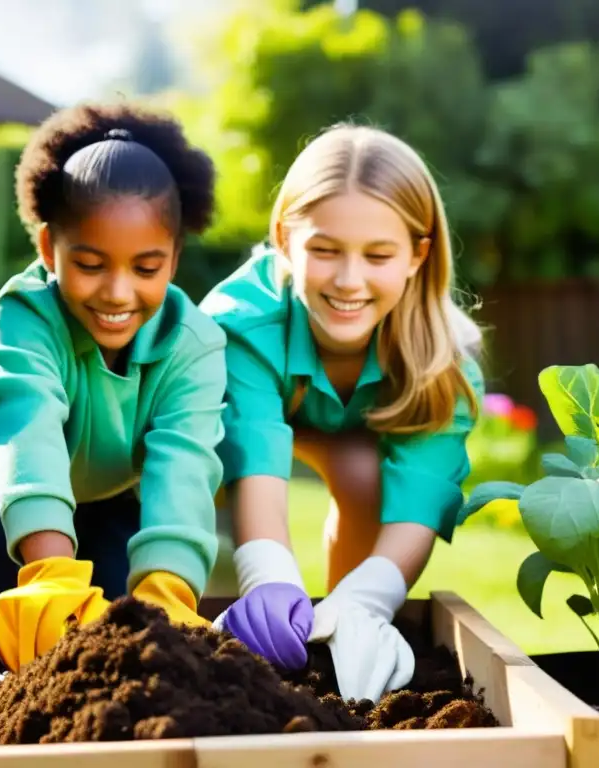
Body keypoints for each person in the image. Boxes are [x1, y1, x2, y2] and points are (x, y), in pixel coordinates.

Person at [200, 123, 484, 702]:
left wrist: (368, 599)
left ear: (417, 255)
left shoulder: (440, 359)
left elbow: (420, 500)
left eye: (378, 255)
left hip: (351, 435)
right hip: (231, 435)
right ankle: (227, 643)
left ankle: (336, 644)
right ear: (284, 239)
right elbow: (252, 453)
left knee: (363, 480)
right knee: (202, 501)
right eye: (324, 250)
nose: (349, 280)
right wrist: (269, 580)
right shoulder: (240, 323)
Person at [0, 102, 227, 672]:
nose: (118, 292)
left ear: (173, 260)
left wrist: (168, 592)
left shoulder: (195, 345)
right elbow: (26, 430)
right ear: (50, 249)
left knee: (118, 583)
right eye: (92, 264)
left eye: (145, 269)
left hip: (109, 487)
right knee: (6, 561)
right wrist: (50, 573)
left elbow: (183, 467)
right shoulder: (27, 315)